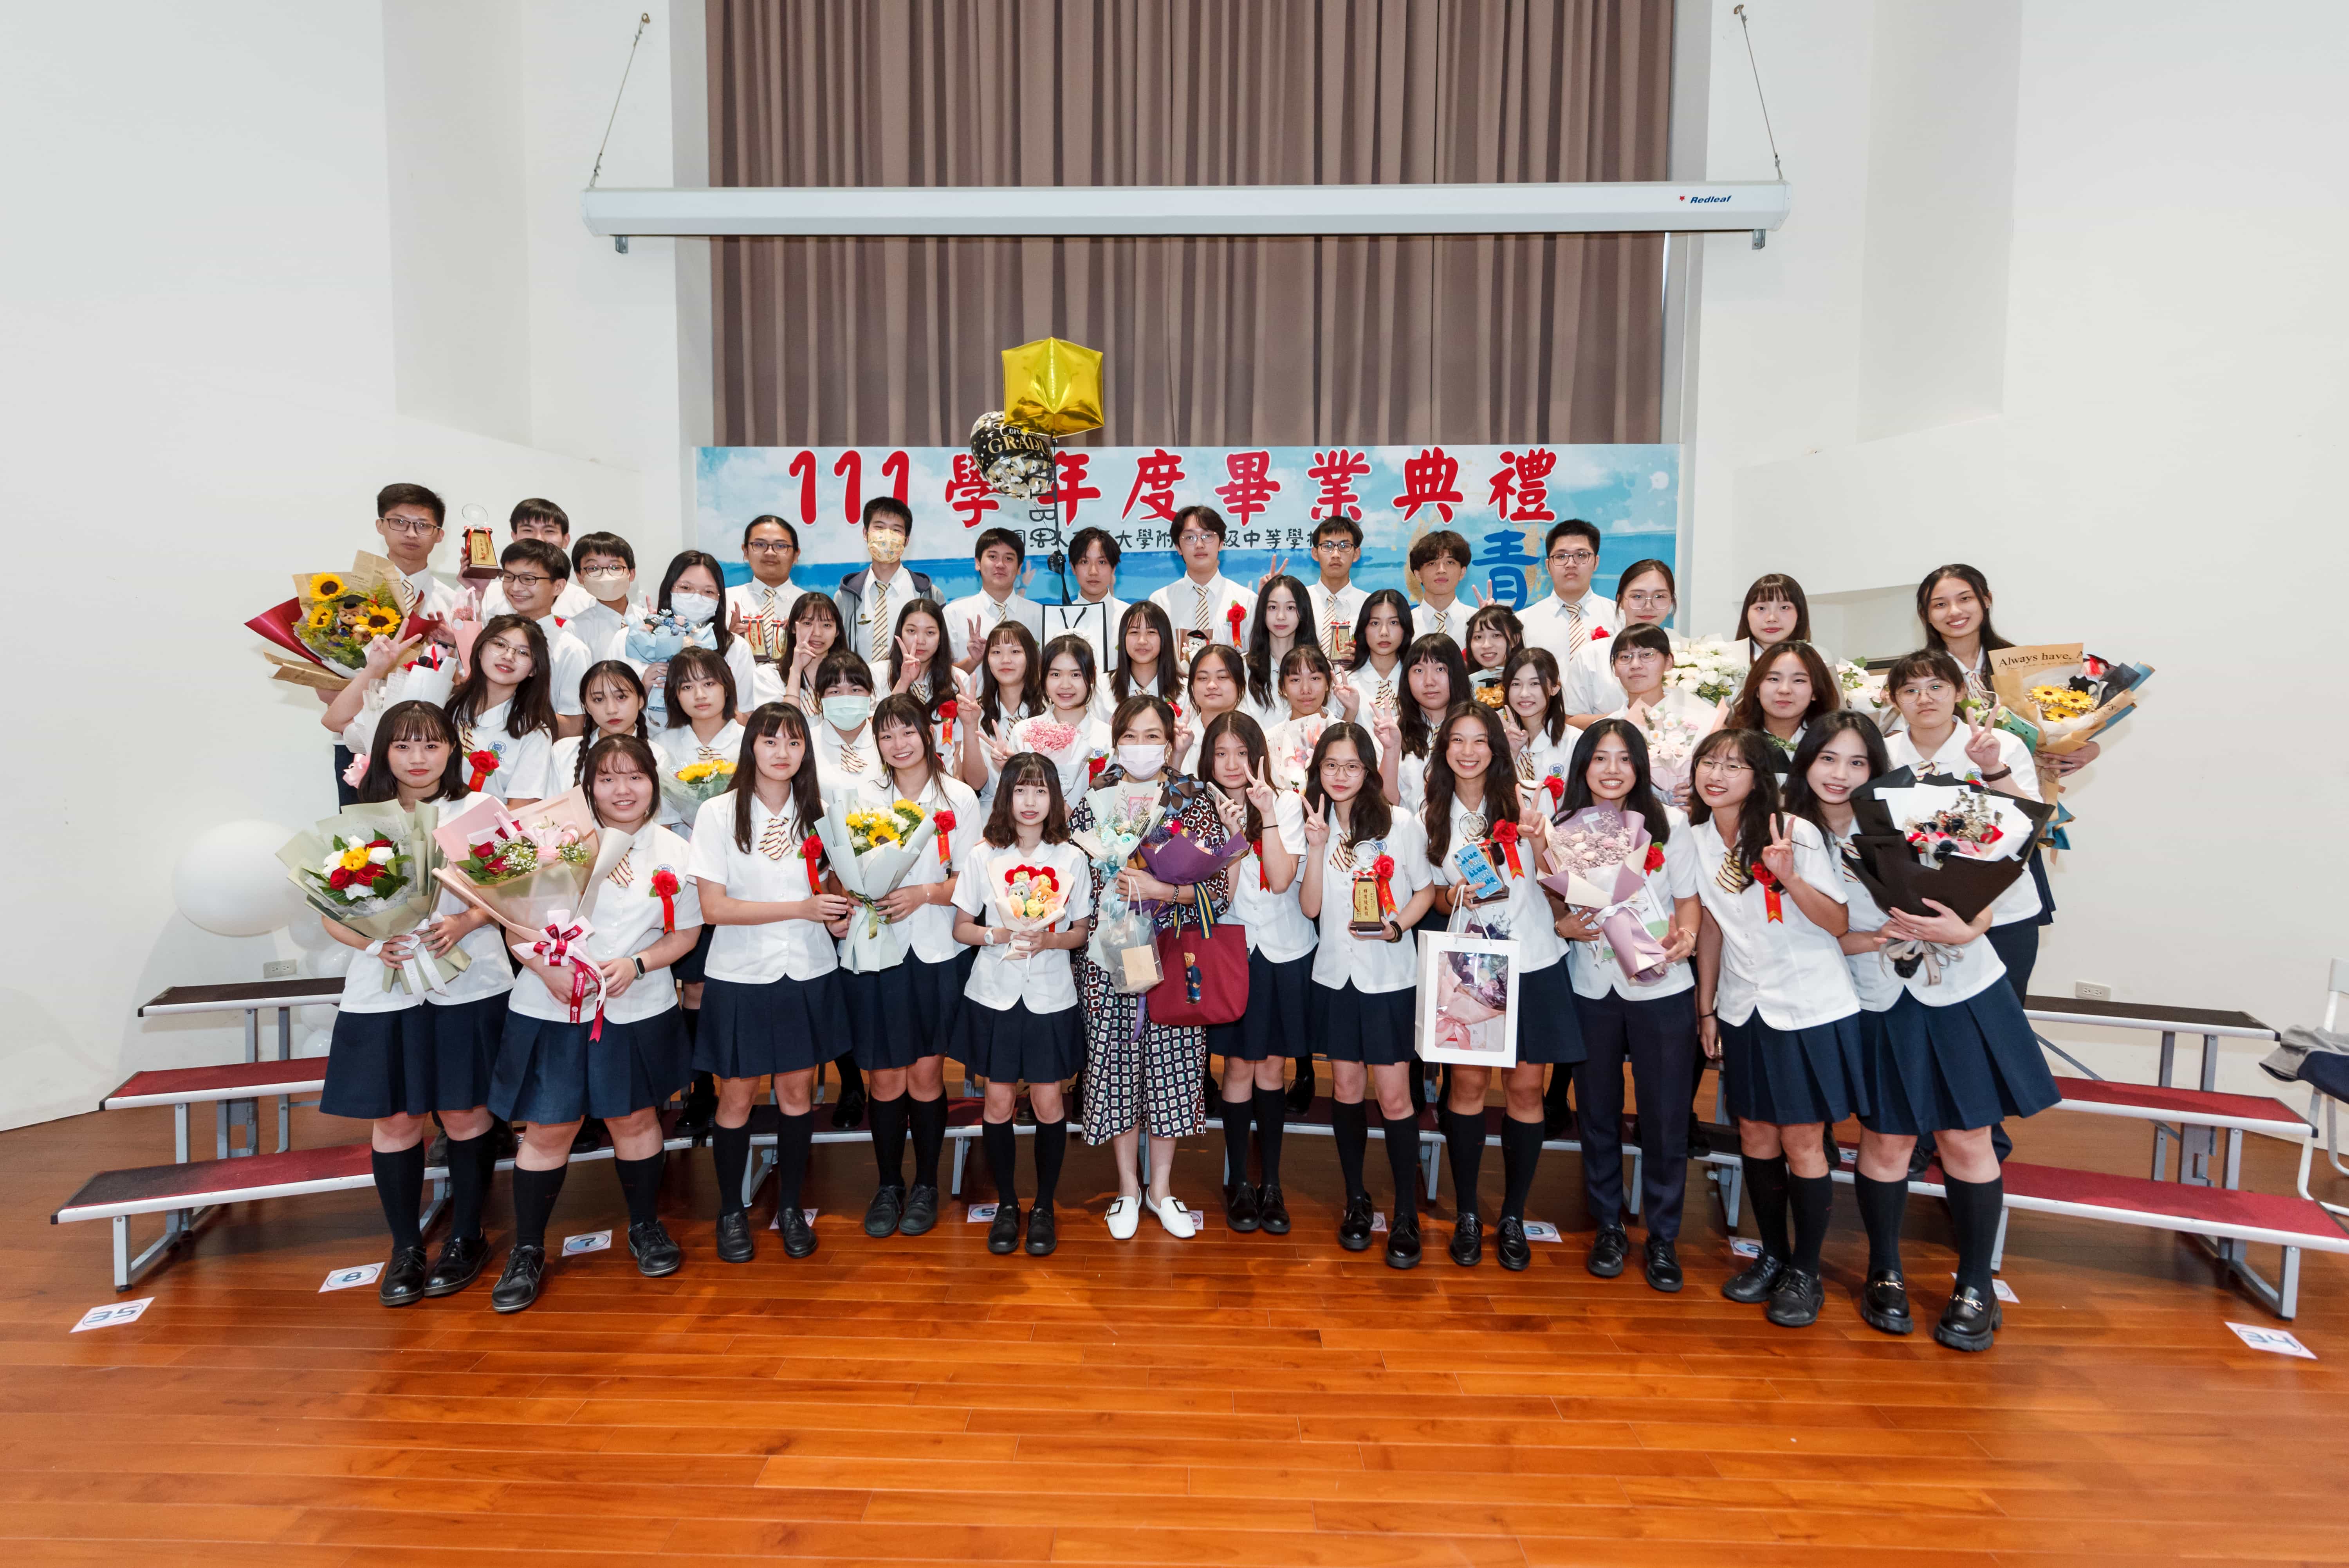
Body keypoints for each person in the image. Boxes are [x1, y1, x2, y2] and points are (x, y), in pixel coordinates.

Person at [1783, 712, 2058, 1350]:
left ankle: (1976, 1285)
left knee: (1966, 1138)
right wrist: (1869, 938)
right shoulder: (1792, 836)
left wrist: (1971, 925)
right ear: (1806, 764)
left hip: (1960, 987)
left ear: (1876, 768)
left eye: (1857, 762)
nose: (1841, 774)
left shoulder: (1920, 808)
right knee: (1887, 1141)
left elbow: (2000, 868)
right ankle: (1885, 1272)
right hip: (1878, 995)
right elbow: (1813, 936)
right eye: (1828, 759)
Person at [486, 734, 703, 1313]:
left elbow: (686, 933)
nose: (622, 790)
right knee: (549, 1127)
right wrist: (546, 969)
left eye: (634, 777)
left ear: (653, 783)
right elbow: (514, 922)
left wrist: (639, 963)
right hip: (552, 1005)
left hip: (636, 1004)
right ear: (588, 787)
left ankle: (646, 1226)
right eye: (607, 778)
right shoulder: (553, 841)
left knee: (635, 1118)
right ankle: (528, 1249)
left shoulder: (675, 850)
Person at [316, 701, 512, 1306]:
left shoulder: (480, 810)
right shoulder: (359, 822)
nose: (418, 758)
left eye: (431, 744)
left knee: (464, 1113)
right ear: (383, 753)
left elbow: (518, 890)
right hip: (387, 985)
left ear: (452, 749)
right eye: (403, 746)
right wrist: (377, 942)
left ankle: (468, 1236)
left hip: (469, 981)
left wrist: (467, 921)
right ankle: (405, 1247)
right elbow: (332, 916)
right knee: (397, 1119)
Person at [1688, 727, 1865, 1330]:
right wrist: (1707, 1008)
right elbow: (1712, 927)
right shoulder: (1696, 840)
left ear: (1760, 777)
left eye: (1733, 766)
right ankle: (1772, 1255)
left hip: (1808, 1006)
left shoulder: (1795, 832)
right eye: (1708, 762)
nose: (1716, 775)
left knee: (1803, 1142)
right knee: (1756, 1135)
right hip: (1745, 1008)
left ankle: (1806, 1272)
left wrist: (1789, 876)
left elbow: (1837, 921)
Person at [688, 702, 852, 1265]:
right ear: (751, 746)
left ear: (807, 751)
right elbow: (714, 908)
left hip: (807, 969)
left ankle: (790, 1207)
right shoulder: (717, 812)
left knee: (797, 1095)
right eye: (771, 741)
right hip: (741, 975)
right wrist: (800, 909)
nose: (783, 752)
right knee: (737, 1096)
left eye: (795, 742)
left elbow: (831, 889)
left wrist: (839, 913)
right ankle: (731, 1211)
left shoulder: (820, 812)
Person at [1421, 703, 1580, 1270]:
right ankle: (1468, 1212)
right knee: (1466, 1086)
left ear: (1497, 747)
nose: (1468, 752)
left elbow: (1561, 877)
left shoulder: (1530, 799)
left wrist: (1539, 840)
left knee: (1526, 1090)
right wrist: (1454, 895)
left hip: (1533, 958)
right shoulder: (1430, 812)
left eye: (1479, 740)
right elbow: (1433, 893)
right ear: (1444, 749)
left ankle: (1512, 1215)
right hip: (1471, 965)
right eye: (1457, 741)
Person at [1070, 698, 1233, 1240]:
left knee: (1173, 1071)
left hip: (1174, 953)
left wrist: (1164, 890)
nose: (1140, 746)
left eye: (1152, 736)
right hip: (1110, 955)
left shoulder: (1193, 800)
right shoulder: (1094, 799)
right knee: (1116, 1069)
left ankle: (1161, 1189)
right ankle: (1127, 1188)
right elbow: (1075, 878)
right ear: (1116, 741)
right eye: (1130, 736)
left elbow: (1217, 891)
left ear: (1169, 741)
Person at [1555, 720, 1705, 1290]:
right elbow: (1556, 906)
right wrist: (1564, 923)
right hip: (1592, 986)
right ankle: (1609, 1225)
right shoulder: (1562, 828)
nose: (1612, 769)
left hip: (1661, 988)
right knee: (1597, 1112)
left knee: (1665, 1116)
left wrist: (1687, 936)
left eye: (1623, 758)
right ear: (1583, 766)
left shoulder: (1671, 825)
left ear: (1640, 767)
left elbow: (1688, 902)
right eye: (1600, 758)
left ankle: (1663, 1236)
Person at [841, 693, 982, 1236]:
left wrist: (924, 893)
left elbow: (969, 882)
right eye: (886, 735)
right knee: (884, 1078)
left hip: (937, 950)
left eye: (907, 732)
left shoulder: (959, 797)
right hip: (877, 950)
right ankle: (888, 1185)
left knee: (925, 1075)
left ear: (927, 733)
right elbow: (845, 871)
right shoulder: (862, 796)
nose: (898, 744)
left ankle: (925, 1184)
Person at [1297, 721, 1437, 1265]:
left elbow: (1425, 890)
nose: (1340, 775)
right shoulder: (1315, 824)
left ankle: (1406, 1213)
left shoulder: (1400, 824)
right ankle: (1356, 1199)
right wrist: (1315, 848)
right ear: (1319, 770)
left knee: (1396, 1097)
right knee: (1347, 1088)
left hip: (1389, 979)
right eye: (1331, 766)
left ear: (1369, 770)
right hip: (1335, 976)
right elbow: (1311, 908)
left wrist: (1397, 927)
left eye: (1352, 766)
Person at [951, 751, 1092, 1257]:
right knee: (998, 1101)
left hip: (1051, 994)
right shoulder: (983, 855)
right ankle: (1008, 1205)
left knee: (1050, 1101)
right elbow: (961, 928)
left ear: (1054, 798)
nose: (1029, 801)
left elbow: (1080, 932)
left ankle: (1045, 1206)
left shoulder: (1072, 857)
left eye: (1040, 790)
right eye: (1019, 790)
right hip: (994, 992)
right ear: (1005, 797)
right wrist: (999, 934)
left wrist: (1050, 940)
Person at [1196, 712, 1311, 1236]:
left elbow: (1282, 879)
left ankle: (1273, 1184)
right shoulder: (1199, 810)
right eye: (1221, 754)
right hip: (1233, 953)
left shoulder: (1284, 803)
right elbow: (1216, 895)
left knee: (1273, 1069)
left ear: (1259, 756)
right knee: (1239, 1068)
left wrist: (1263, 814)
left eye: (1241, 753)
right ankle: (1240, 1182)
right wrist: (1230, 834)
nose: (1232, 764)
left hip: (1285, 951)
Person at [1881, 651, 2044, 993]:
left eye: (1936, 686)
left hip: (2004, 911)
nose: (1924, 698)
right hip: (1920, 915)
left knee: (2004, 1014)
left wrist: (1992, 768)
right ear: (1893, 699)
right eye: (1910, 690)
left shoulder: (2002, 745)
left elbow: (2032, 823)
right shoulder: (1882, 755)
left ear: (1959, 692)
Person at [648, 644, 743, 1131]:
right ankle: (699, 1089)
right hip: (685, 879)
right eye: (686, 686)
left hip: (741, 884)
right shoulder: (662, 746)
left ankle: (734, 1082)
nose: (700, 695)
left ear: (727, 687)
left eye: (709, 683)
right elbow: (659, 819)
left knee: (733, 985)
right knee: (694, 986)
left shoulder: (749, 740)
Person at [606, 550, 759, 725]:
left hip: (711, 741)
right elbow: (607, 706)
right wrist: (642, 690)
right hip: (643, 739)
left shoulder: (735, 647)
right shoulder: (631, 639)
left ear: (720, 599)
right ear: (669, 589)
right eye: (686, 588)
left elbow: (747, 717)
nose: (697, 598)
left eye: (708, 592)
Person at [494, 538, 592, 738]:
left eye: (528, 579)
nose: (515, 588)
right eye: (509, 577)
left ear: (558, 587)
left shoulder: (570, 650)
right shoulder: (495, 639)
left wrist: (507, 709)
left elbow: (573, 727)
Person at [1564, 558, 1679, 724]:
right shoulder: (1593, 654)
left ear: (1671, 601)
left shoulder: (1691, 654)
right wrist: (1626, 720)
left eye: (1660, 596)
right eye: (1637, 596)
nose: (1648, 606)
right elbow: (1570, 720)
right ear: (1620, 601)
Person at [835, 496, 940, 673]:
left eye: (896, 530)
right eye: (879, 527)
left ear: (906, 540)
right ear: (865, 533)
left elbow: (940, 654)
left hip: (912, 687)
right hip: (859, 686)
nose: (887, 536)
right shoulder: (846, 595)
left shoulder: (928, 594)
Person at [1147, 504, 1256, 666]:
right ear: (1178, 547)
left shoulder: (1248, 601)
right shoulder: (1160, 602)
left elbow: (1254, 660)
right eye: (1190, 538)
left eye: (1208, 536)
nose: (1199, 544)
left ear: (1221, 544)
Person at [1375, 634, 1470, 816]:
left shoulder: (1477, 728)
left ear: (1457, 673)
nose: (1429, 681)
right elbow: (1386, 806)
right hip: (1408, 830)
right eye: (1419, 671)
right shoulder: (1391, 731)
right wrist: (1391, 750)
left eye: (1440, 669)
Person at [1009, 635, 1111, 800]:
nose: (1065, 685)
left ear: (1092, 675)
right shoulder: (1023, 732)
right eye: (1056, 675)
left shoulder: (1108, 737)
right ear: (1043, 676)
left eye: (1076, 675)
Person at [1727, 640, 1840, 780]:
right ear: (1756, 689)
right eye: (1774, 679)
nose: (1785, 690)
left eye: (1799, 680)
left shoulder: (1834, 743)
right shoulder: (1734, 744)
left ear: (1816, 691)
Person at [1518, 519, 1621, 672]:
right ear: (1548, 566)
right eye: (1561, 557)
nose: (1571, 564)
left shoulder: (1619, 617)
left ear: (1596, 562)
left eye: (1581, 555)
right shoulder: (1523, 622)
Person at [964, 621, 1044, 807]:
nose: (1005, 660)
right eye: (996, 652)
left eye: (1015, 652)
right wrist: (969, 725)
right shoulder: (975, 711)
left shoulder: (1049, 713)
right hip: (989, 811)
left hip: (1038, 810)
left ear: (1031, 657)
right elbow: (975, 783)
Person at [547, 660, 652, 796]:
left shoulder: (657, 756)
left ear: (641, 701)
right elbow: (551, 808)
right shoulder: (563, 752)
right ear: (587, 707)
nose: (611, 710)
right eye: (599, 700)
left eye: (621, 697)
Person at [945, 525, 1046, 668]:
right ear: (978, 563)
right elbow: (943, 676)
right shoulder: (954, 614)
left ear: (1019, 568)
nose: (1000, 565)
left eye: (1009, 559)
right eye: (993, 557)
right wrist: (973, 660)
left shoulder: (1040, 615)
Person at [481, 499, 594, 621]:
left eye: (549, 531)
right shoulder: (488, 595)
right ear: (515, 537)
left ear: (565, 540)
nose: (538, 539)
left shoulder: (586, 603)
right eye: (528, 530)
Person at [1040, 526, 1129, 677]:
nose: (1093, 572)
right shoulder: (1058, 620)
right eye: (1084, 562)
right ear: (1073, 568)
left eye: (1102, 562)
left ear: (1114, 568)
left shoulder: (1129, 617)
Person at [1335, 587, 1413, 740]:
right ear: (1364, 629)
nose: (1384, 632)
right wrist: (1350, 713)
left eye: (1394, 623)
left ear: (1405, 628)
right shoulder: (1345, 684)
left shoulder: (1417, 681)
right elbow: (1333, 744)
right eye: (1375, 623)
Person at [1499, 647, 1575, 801]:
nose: (1524, 694)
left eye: (1535, 684)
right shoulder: (1499, 740)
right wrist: (1511, 754)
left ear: (1554, 688)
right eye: (1516, 684)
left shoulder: (1575, 742)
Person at [1243, 573, 1316, 723]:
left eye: (1290, 608)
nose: (1281, 616)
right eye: (1273, 607)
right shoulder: (1243, 667)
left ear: (1303, 612)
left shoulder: (1319, 666)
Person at [568, 530, 646, 654]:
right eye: (594, 568)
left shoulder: (649, 618)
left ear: (632, 574)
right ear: (580, 576)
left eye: (615, 567)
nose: (606, 575)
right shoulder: (575, 629)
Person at [1176, 643, 1247, 775]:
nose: (1212, 685)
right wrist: (1176, 756)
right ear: (1192, 686)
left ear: (1240, 684)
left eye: (1222, 677)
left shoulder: (1254, 738)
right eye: (1203, 678)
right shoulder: (1180, 743)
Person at [725, 514, 806, 627]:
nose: (770, 553)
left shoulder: (811, 606)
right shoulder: (725, 600)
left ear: (796, 555)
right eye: (760, 545)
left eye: (781, 546)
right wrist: (730, 637)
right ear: (746, 552)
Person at [1305, 516, 1368, 660]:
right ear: (1315, 553)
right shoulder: (1298, 599)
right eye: (1328, 546)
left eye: (1344, 546)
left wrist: (1364, 657)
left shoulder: (1370, 604)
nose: (1335, 555)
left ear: (1356, 554)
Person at [776, 592, 847, 715]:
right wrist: (796, 672)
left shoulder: (850, 677)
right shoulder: (770, 677)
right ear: (793, 628)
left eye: (827, 625)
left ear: (837, 632)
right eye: (808, 624)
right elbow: (784, 724)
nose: (817, 633)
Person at [1105, 600, 1180, 714]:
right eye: (1134, 632)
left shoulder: (1186, 691)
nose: (1142, 641)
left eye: (1151, 632)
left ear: (1165, 638)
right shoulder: (1102, 687)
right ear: (1123, 638)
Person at [1734, 573, 1822, 668]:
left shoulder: (1816, 665)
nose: (1772, 619)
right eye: (1761, 608)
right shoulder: (1728, 663)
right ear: (1746, 614)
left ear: (1800, 614)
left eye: (1784, 608)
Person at [1408, 530, 1475, 642]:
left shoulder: (1477, 622)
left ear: (1462, 572)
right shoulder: (1405, 625)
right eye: (1432, 563)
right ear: (1418, 575)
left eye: (1450, 563)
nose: (1441, 570)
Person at [1464, 603, 1524, 690]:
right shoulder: (1460, 686)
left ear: (1515, 639)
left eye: (1496, 636)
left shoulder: (1530, 684)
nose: (1486, 645)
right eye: (1479, 637)